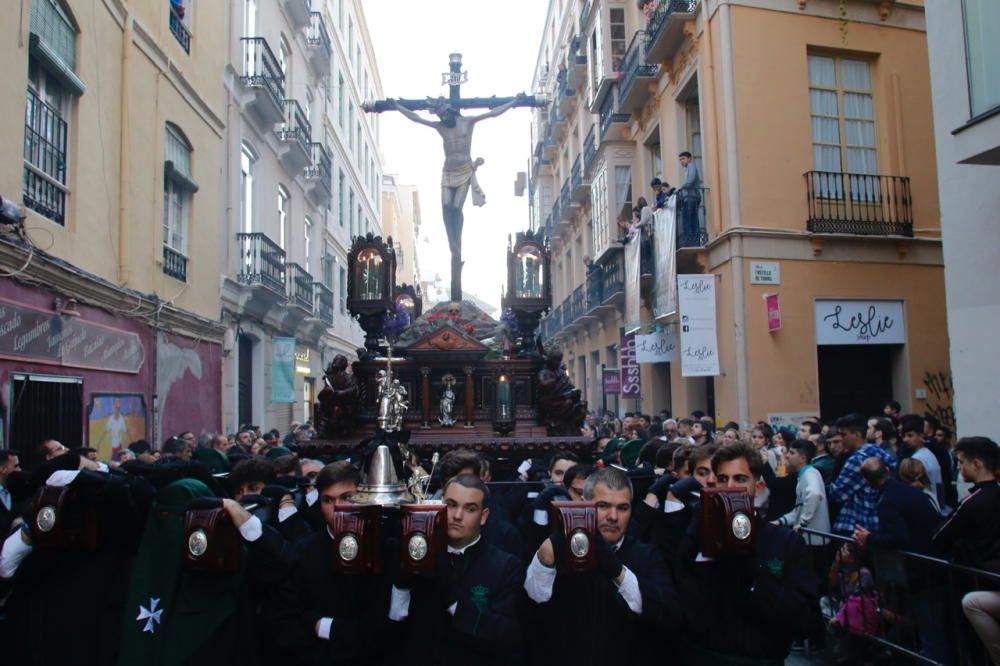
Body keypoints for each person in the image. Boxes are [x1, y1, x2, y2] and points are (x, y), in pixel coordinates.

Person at [674, 442, 824, 663]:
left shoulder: (784, 542)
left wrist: (755, 577)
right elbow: (681, 604)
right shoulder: (696, 536)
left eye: (740, 479)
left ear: (758, 486)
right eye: (723, 479)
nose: (730, 487)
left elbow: (807, 621)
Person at [525, 467, 680, 665]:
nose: (613, 516)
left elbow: (668, 616)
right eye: (603, 506)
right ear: (583, 505)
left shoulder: (647, 555)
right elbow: (533, 605)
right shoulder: (560, 551)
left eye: (622, 508)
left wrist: (617, 571)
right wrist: (545, 558)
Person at [390, 474, 524, 666]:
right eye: (451, 504)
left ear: (484, 516)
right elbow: (393, 628)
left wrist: (453, 599)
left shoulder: (506, 566)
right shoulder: (418, 556)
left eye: (470, 508)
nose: (457, 515)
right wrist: (401, 584)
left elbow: (506, 636)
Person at [273, 462, 394, 665]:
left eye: (347, 497)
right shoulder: (303, 552)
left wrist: (322, 626)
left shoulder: (387, 548)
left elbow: (386, 625)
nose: (338, 508)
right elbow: (287, 620)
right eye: (328, 500)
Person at [933, 437, 1000, 568]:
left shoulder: (971, 502)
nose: (959, 467)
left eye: (961, 462)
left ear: (976, 464)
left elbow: (939, 538)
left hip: (976, 573)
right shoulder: (992, 494)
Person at [828, 413, 897, 536]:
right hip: (876, 523)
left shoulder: (857, 459)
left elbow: (837, 494)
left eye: (844, 434)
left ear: (857, 435)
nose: (842, 439)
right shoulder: (877, 450)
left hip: (859, 525)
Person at [772, 440, 830, 552]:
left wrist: (803, 522)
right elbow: (798, 510)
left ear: (802, 459)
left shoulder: (811, 473)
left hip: (815, 541)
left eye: (792, 453)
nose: (787, 456)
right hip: (808, 540)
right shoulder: (803, 476)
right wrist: (780, 521)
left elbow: (815, 494)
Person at [900, 414, 943, 505]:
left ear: (920, 436)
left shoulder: (917, 459)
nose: (906, 439)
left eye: (910, 436)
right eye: (904, 436)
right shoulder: (928, 454)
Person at [676, 151, 702, 242]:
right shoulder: (688, 168)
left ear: (689, 159)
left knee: (690, 219)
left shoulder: (691, 166)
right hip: (690, 197)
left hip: (692, 196)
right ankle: (691, 239)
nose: (681, 161)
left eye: (683, 159)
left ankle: (692, 240)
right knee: (690, 219)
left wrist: (680, 188)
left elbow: (690, 180)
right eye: (680, 160)